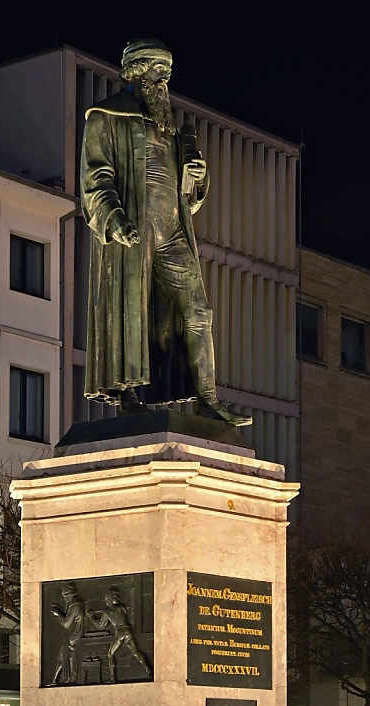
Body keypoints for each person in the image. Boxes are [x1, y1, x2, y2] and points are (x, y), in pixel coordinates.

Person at [80, 39, 252, 428]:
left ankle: (208, 400)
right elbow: (95, 176)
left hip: (173, 231)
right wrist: (113, 217)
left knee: (199, 312)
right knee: (131, 315)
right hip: (134, 230)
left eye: (168, 73)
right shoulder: (106, 116)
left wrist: (197, 179)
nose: (165, 80)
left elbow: (185, 195)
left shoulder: (171, 129)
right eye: (160, 70)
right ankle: (127, 396)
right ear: (135, 72)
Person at [88, 587, 151, 683]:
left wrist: (91, 616)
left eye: (117, 596)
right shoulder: (121, 607)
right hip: (128, 631)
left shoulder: (107, 612)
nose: (117, 597)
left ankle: (112, 678)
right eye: (115, 596)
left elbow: (100, 625)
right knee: (136, 652)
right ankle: (148, 670)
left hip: (120, 632)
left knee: (110, 654)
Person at [50, 583, 85, 684]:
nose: (65, 599)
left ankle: (63, 679)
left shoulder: (74, 603)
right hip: (75, 632)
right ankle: (56, 679)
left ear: (68, 595)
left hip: (74, 634)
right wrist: (59, 609)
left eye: (65, 596)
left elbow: (66, 623)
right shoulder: (78, 601)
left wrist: (58, 614)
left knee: (64, 655)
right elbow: (69, 616)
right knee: (65, 655)